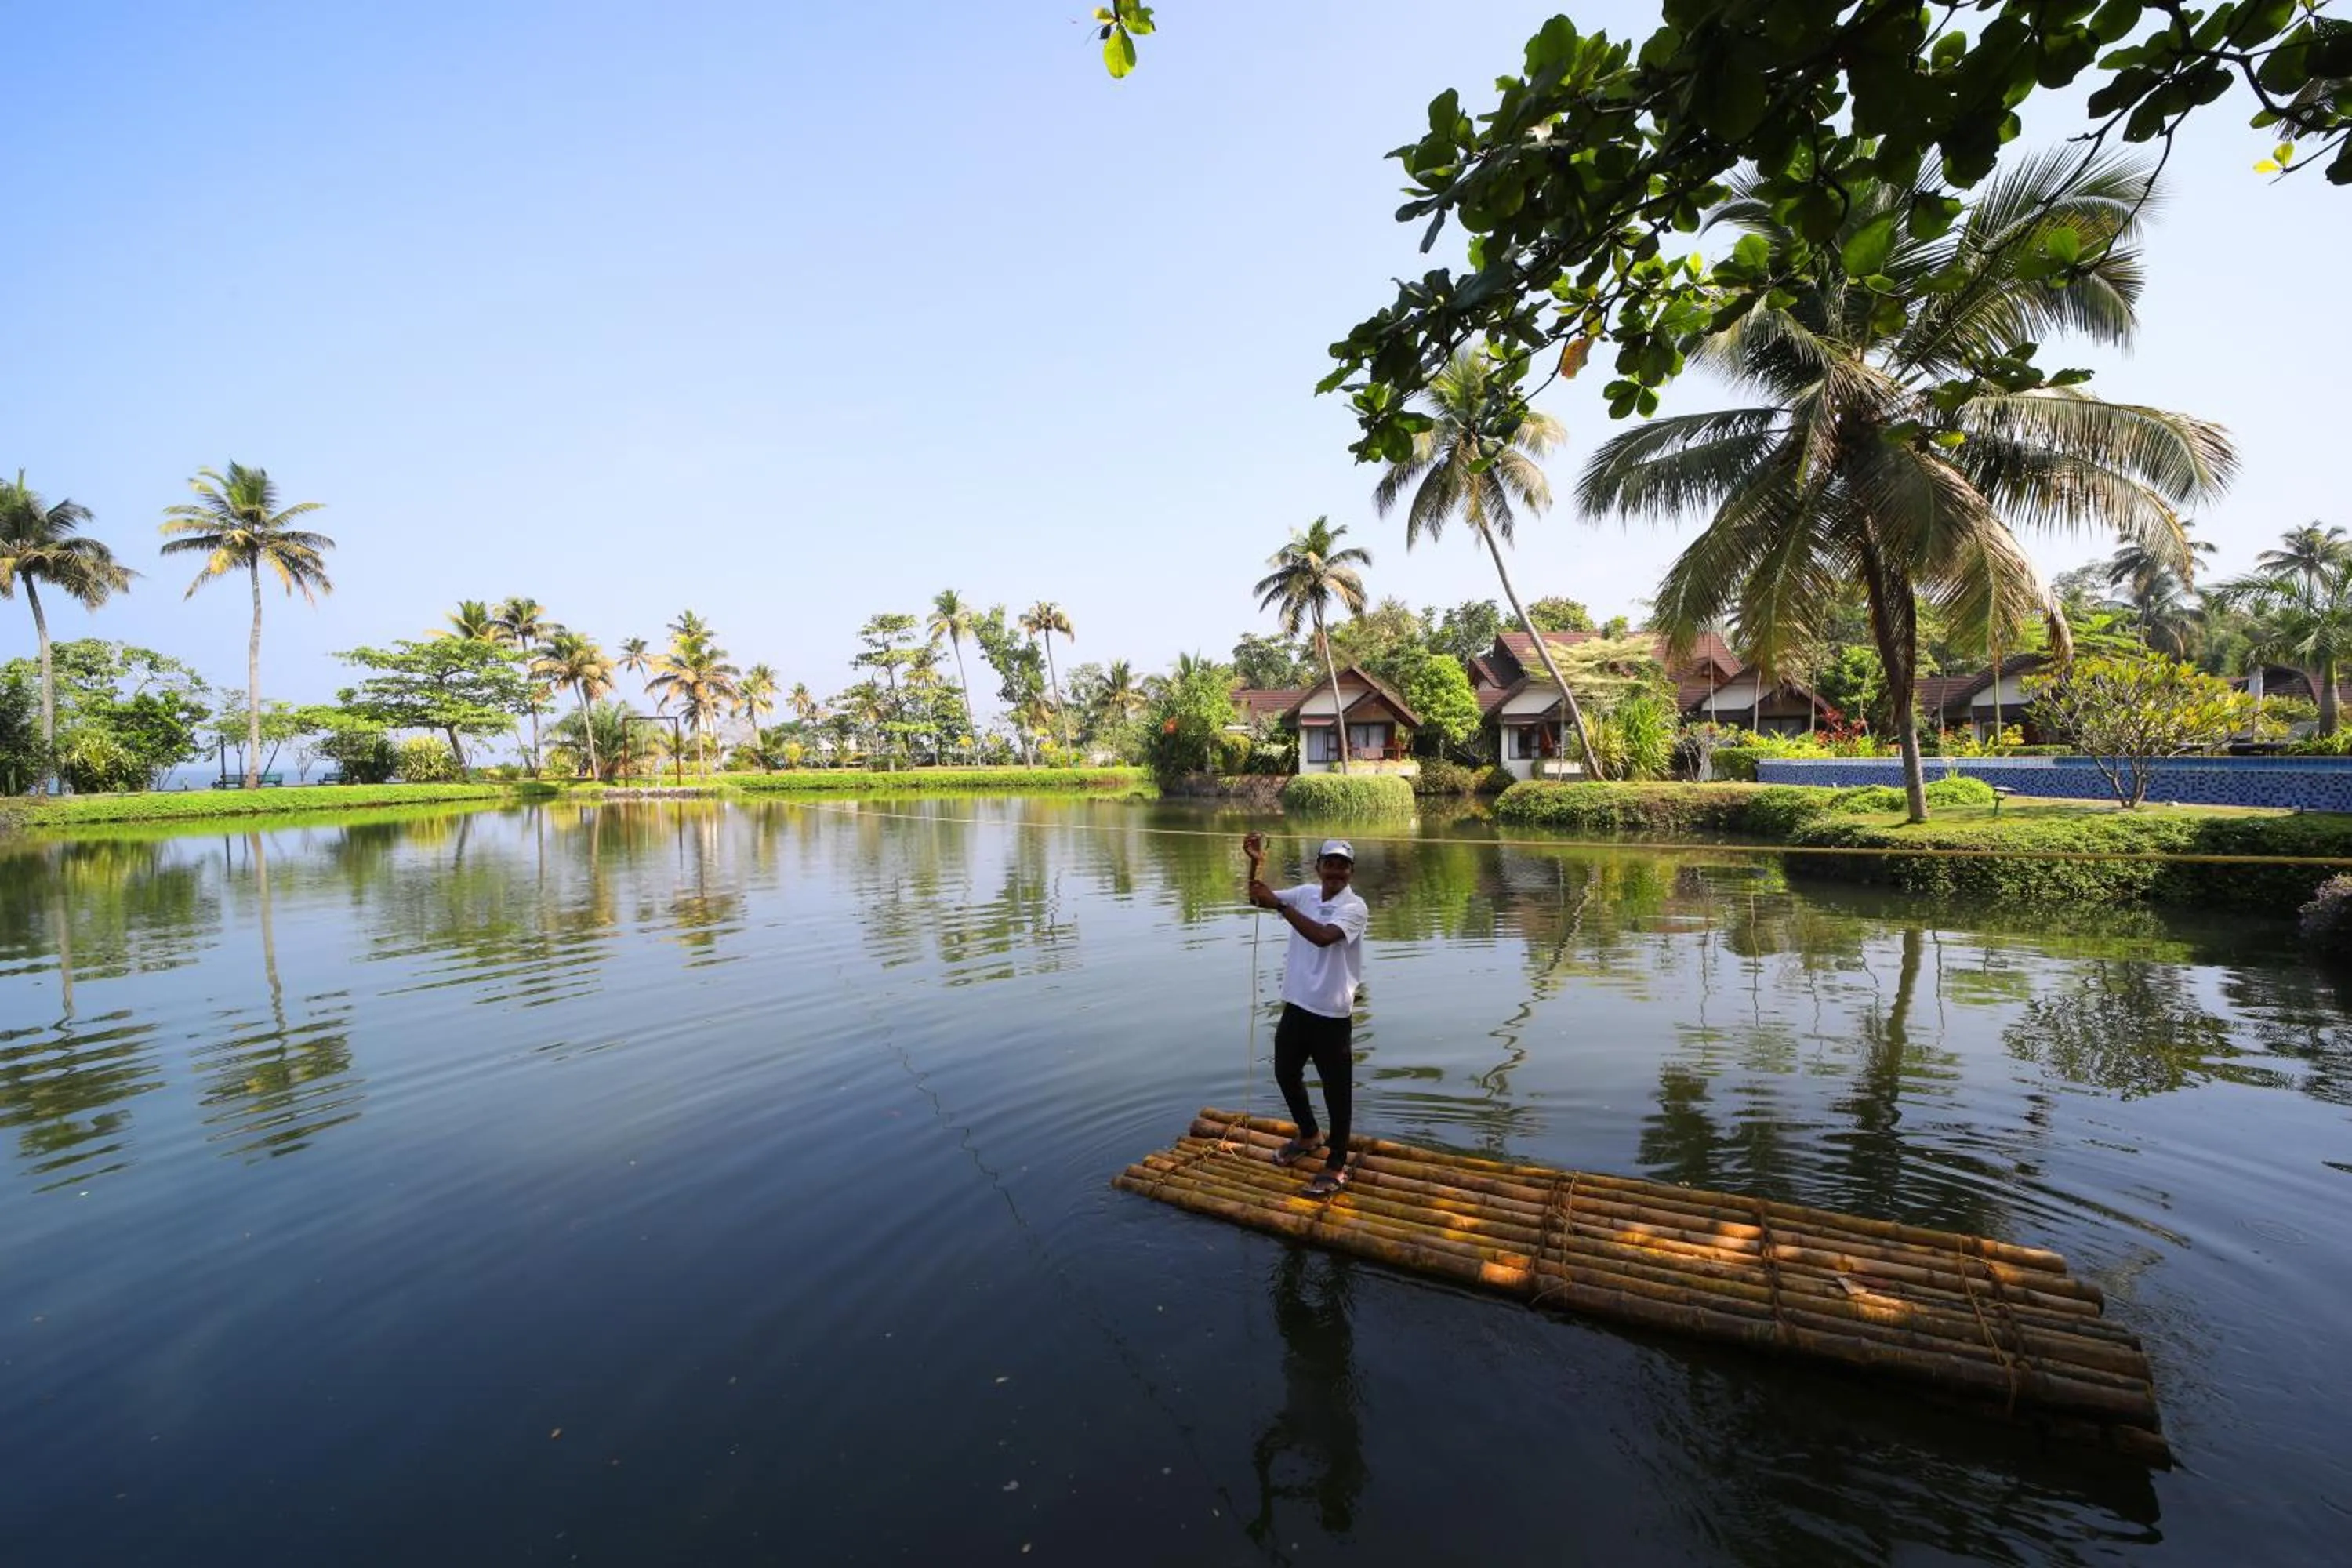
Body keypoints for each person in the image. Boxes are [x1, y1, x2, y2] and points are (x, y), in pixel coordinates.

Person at [1244, 832, 1369, 1196]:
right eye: (1329, 863)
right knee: (1285, 1072)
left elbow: (1322, 936)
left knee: (1337, 1091)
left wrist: (1280, 907)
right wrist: (1255, 862)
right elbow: (1257, 898)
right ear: (1318, 867)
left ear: (1350, 872)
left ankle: (1336, 1162)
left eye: (1342, 866)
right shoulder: (1304, 894)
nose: (1335, 871)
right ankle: (1310, 1134)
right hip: (1297, 1005)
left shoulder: (1355, 907)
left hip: (1331, 1013)